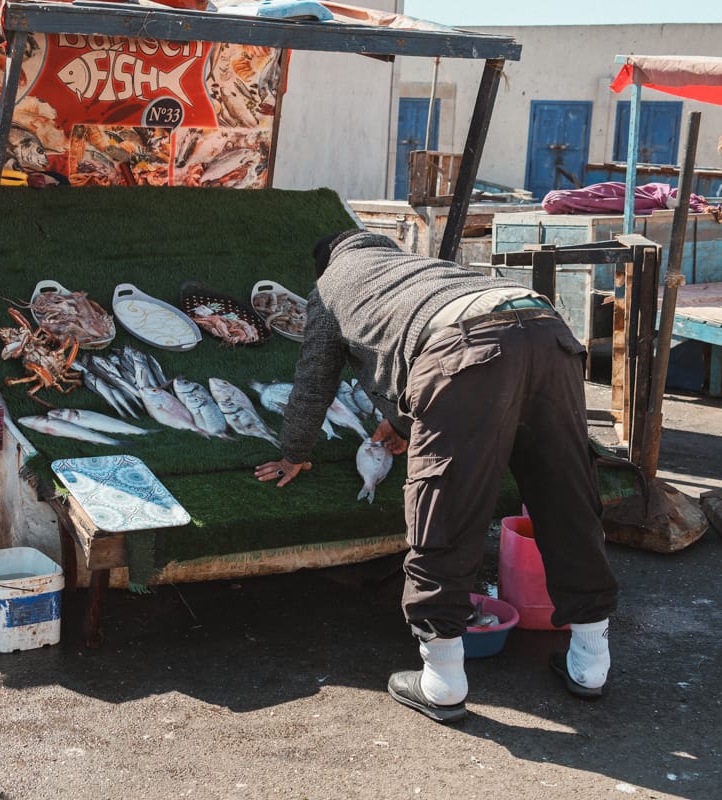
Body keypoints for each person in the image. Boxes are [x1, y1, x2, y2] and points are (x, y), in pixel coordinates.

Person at [255, 229, 618, 724]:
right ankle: (591, 662)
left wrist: (293, 452)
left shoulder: (331, 286)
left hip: (467, 347)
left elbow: (316, 379)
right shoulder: (415, 268)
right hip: (545, 327)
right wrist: (405, 422)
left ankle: (442, 680)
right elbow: (417, 342)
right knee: (566, 494)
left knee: (445, 504)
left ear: (326, 264)